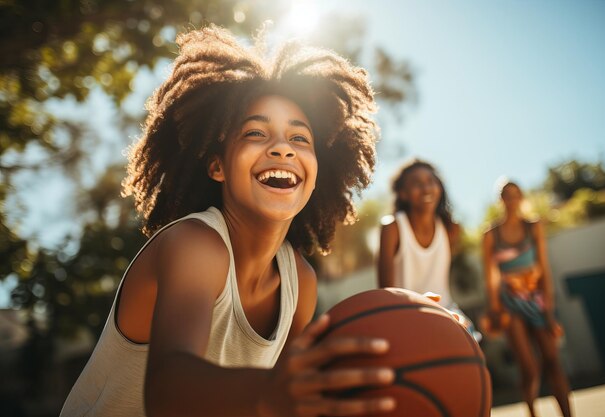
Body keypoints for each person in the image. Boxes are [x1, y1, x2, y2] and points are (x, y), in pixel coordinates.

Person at [61, 25, 398, 417]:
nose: (282, 149)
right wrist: (271, 393)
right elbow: (168, 391)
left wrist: (410, 330)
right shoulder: (194, 244)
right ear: (217, 165)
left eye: (300, 138)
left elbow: (293, 402)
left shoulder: (299, 282)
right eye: (256, 132)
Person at [482, 180, 572, 417]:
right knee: (529, 368)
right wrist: (495, 309)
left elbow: (544, 268)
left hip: (537, 300)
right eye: (506, 195)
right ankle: (532, 411)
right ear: (500, 200)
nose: (511, 199)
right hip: (510, 304)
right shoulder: (491, 235)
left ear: (521, 197)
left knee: (553, 362)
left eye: (516, 194)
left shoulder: (533, 227)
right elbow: (491, 276)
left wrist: (549, 310)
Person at [377, 159, 479, 339]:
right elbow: (385, 292)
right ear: (403, 193)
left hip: (446, 311)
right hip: (406, 315)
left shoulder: (450, 229)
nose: (426, 188)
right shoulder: (392, 228)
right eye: (417, 183)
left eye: (431, 181)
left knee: (473, 350)